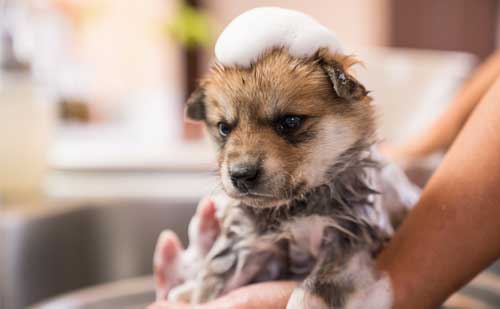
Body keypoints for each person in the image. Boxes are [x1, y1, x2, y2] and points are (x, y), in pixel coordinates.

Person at [149, 50, 500, 309]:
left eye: (289, 123)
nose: (240, 162)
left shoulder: (373, 198)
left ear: (350, 99)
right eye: (226, 128)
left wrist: (395, 286)